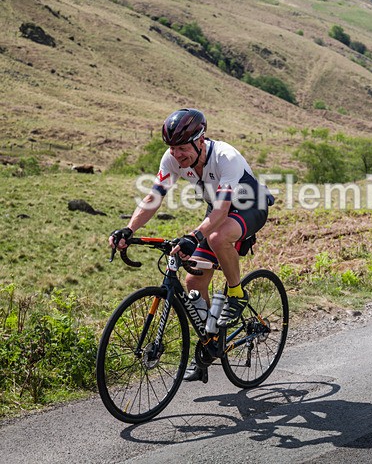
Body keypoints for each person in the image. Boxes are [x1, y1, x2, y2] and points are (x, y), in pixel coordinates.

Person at [109, 108, 274, 383]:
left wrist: (194, 236)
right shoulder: (172, 159)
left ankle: (237, 293)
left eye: (183, 148)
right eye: (173, 148)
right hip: (219, 214)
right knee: (193, 283)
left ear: (201, 140)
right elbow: (155, 196)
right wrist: (129, 228)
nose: (177, 155)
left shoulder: (225, 157)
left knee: (217, 237)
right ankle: (209, 346)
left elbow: (221, 212)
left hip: (249, 207)